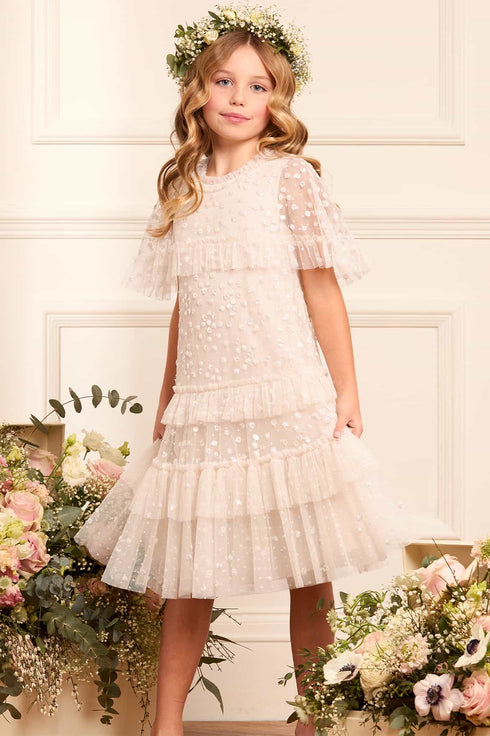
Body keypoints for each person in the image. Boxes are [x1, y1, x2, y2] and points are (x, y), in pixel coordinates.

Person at [74, 5, 424, 735]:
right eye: (224, 81)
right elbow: (186, 305)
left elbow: (321, 289)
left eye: (257, 86)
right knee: (188, 571)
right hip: (206, 401)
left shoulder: (288, 179)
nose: (238, 97)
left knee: (310, 565)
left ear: (277, 99)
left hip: (287, 391)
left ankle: (314, 718)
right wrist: (167, 398)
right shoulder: (184, 188)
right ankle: (166, 725)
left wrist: (347, 389)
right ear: (198, 90)